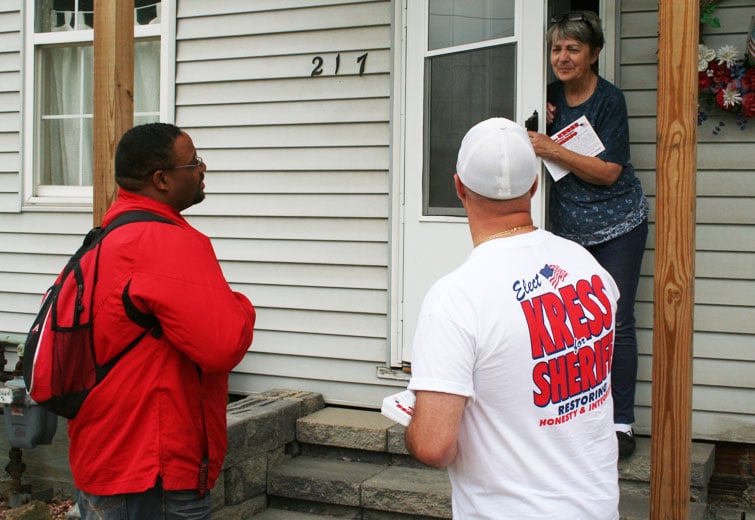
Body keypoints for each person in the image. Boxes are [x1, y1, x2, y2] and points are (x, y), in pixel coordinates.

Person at [405, 118, 620, 519]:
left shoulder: (456, 298)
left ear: (458, 188)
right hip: (597, 507)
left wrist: (420, 420)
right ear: (535, 186)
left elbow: (434, 446)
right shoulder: (588, 268)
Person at [70, 122, 256, 519]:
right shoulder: (165, 243)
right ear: (162, 179)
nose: (202, 169)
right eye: (193, 162)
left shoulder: (107, 235)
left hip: (104, 454)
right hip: (152, 471)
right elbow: (223, 346)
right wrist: (239, 303)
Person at [528, 10, 649, 459]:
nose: (562, 56)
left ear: (594, 54)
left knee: (617, 321)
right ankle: (572, 419)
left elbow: (609, 172)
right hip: (565, 230)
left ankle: (620, 424)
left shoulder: (608, 100)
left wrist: (551, 146)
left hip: (618, 223)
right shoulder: (543, 97)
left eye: (573, 48)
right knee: (566, 327)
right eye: (557, 48)